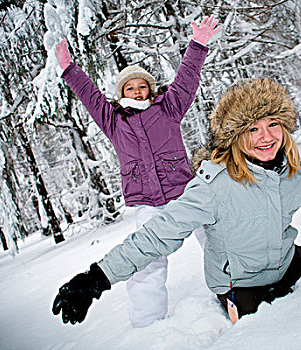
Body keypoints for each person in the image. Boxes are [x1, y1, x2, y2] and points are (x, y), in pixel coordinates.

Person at [52, 78, 301, 325]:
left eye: (273, 124)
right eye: (252, 129)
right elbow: (156, 234)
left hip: (289, 263)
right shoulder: (213, 187)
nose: (265, 137)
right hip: (241, 286)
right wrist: (95, 278)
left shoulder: (294, 173)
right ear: (234, 137)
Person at [54, 16, 220, 327]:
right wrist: (69, 70)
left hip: (184, 192)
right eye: (130, 87)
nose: (138, 90)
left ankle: (234, 288)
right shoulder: (114, 121)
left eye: (143, 86)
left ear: (150, 89)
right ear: (121, 92)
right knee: (147, 260)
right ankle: (147, 323)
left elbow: (186, 79)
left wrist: (198, 44)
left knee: (216, 238)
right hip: (146, 202)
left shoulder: (168, 108)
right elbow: (90, 97)